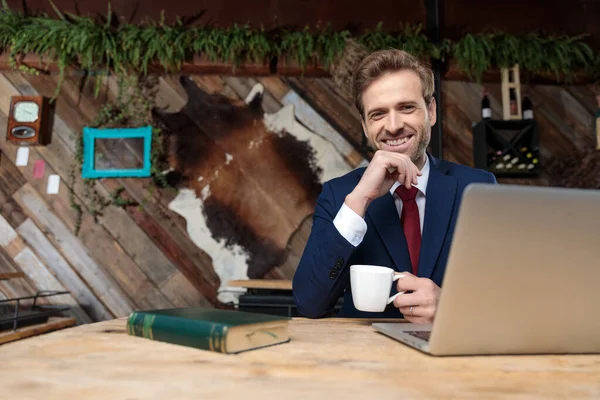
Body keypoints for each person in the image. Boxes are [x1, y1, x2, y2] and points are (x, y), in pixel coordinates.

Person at [292, 49, 497, 322]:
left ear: (431, 111)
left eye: (406, 107)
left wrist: (451, 306)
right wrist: (360, 201)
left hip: (453, 357)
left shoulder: (478, 187)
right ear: (365, 126)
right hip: (368, 359)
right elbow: (309, 303)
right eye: (378, 114)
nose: (393, 125)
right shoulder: (340, 195)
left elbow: (506, 296)